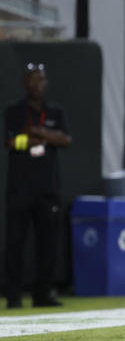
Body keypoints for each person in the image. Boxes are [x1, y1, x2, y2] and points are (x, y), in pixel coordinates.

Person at [4, 63, 72, 309]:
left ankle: (42, 294)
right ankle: (13, 295)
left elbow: (65, 139)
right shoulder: (14, 111)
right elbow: (12, 142)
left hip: (47, 189)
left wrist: (37, 131)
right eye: (32, 80)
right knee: (15, 243)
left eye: (41, 80)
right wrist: (37, 138)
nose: (37, 84)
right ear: (25, 84)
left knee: (48, 245)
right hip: (20, 188)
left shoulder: (55, 111)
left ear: (46, 83)